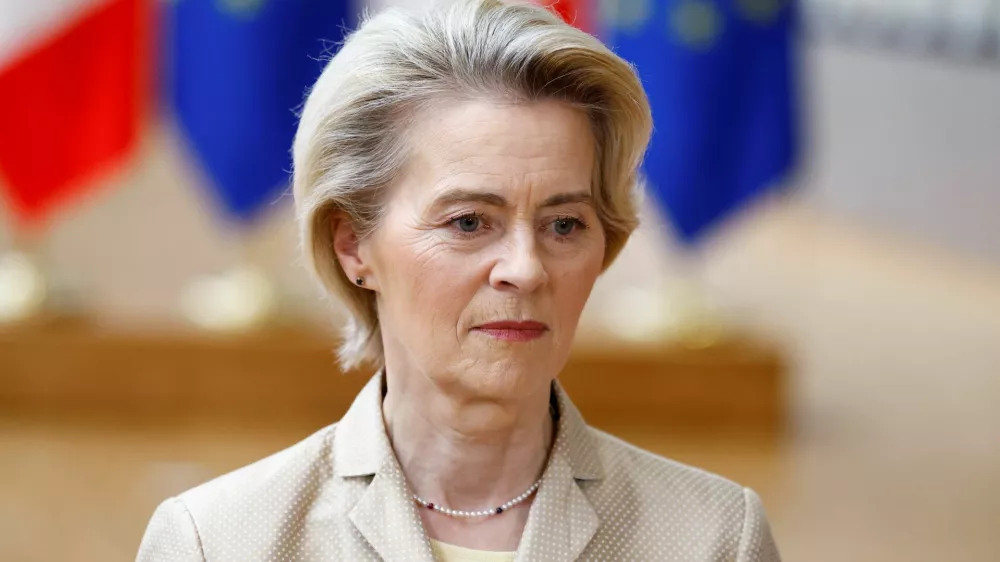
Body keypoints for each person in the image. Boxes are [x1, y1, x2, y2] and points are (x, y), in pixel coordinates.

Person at [136, 0, 780, 560]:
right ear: (352, 243)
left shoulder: (716, 538)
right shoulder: (217, 543)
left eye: (563, 224)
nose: (525, 268)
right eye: (471, 221)